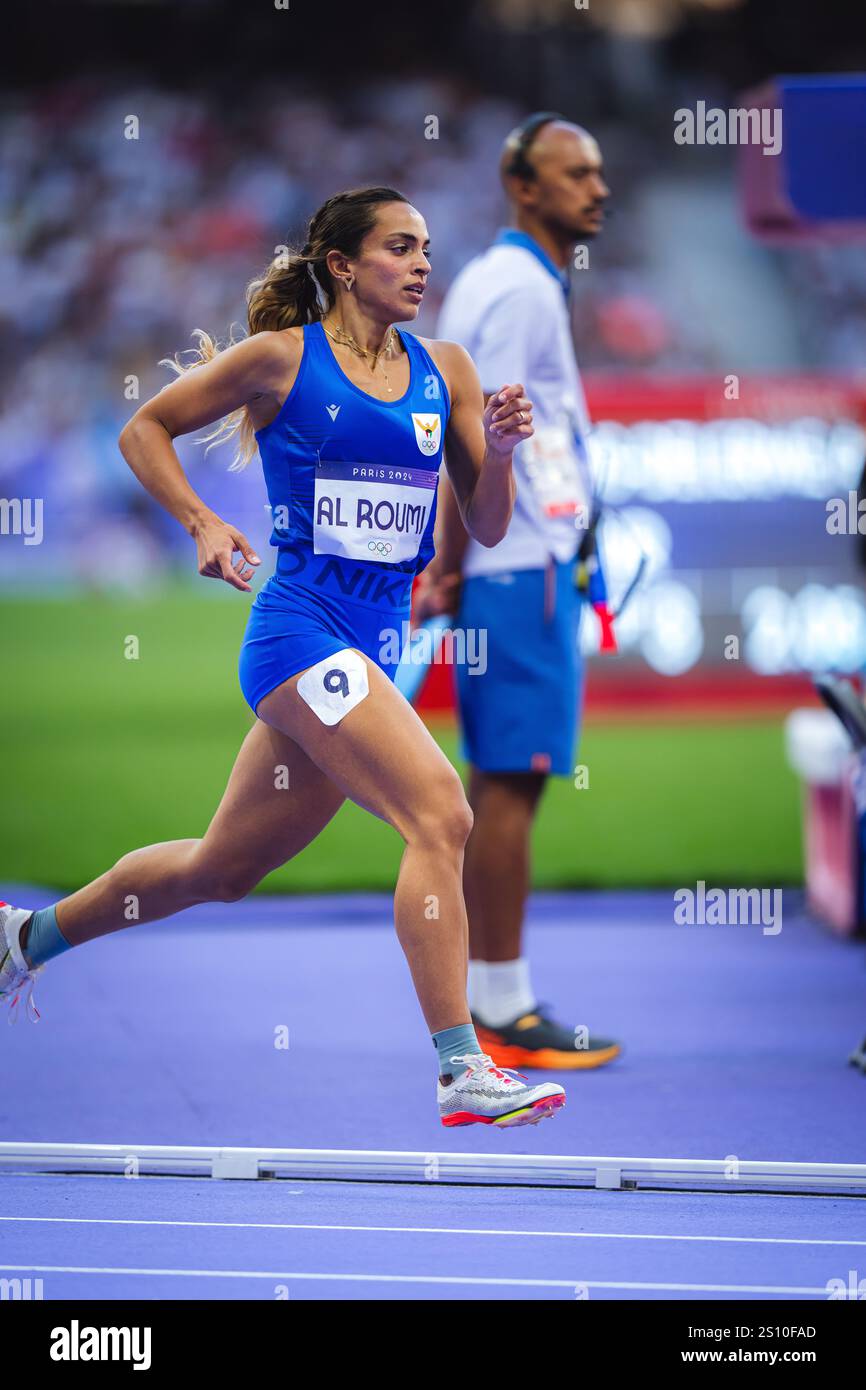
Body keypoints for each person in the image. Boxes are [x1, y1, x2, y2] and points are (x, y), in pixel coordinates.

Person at [0, 186, 567, 1129]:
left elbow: (492, 521)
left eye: (427, 248)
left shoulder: (450, 372)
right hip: (297, 635)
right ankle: (461, 1063)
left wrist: (501, 453)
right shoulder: (281, 359)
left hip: (372, 651)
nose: (423, 264)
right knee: (441, 814)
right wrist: (203, 520)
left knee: (221, 870)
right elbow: (144, 428)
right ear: (343, 265)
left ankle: (26, 936)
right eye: (399, 247)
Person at [417, 115, 622, 1071]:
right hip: (521, 565)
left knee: (502, 781)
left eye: (599, 172)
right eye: (574, 173)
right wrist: (453, 562)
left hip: (518, 562)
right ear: (523, 187)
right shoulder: (518, 287)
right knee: (511, 783)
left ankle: (493, 996)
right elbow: (477, 434)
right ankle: (501, 1003)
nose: (599, 187)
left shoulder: (516, 282)